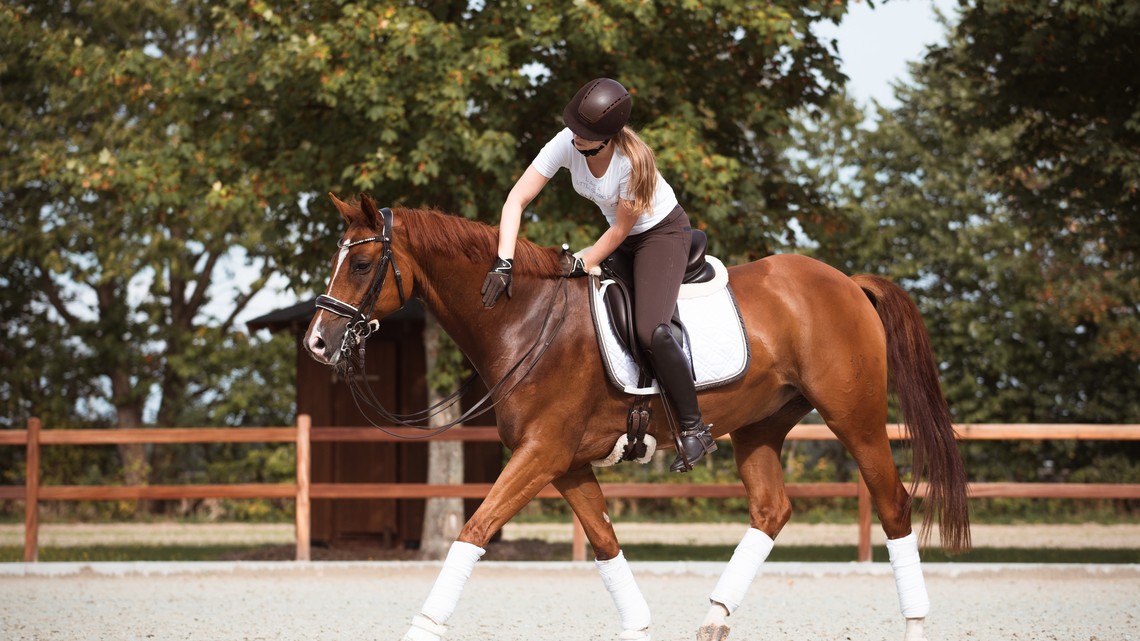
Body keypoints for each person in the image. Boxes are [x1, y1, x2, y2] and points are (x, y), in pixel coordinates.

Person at [480, 78, 716, 472]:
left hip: (659, 235)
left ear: (607, 140)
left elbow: (622, 231)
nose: (575, 138)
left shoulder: (631, 163)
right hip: (618, 238)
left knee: (650, 331)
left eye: (585, 135)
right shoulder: (567, 141)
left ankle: (694, 429)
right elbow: (516, 199)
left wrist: (585, 260)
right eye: (574, 128)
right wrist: (504, 262)